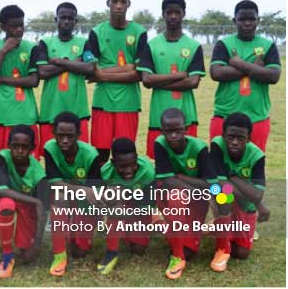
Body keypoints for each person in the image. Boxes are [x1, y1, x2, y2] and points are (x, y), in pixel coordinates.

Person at [83, 0, 148, 164]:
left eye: (123, 1)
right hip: (103, 103)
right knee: (101, 154)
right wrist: (128, 67)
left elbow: (139, 74)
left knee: (124, 154)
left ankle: (123, 191)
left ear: (129, 4)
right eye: (115, 1)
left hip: (128, 104)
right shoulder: (96, 32)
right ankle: (101, 191)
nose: (118, 5)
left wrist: (103, 74)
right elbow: (91, 72)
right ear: (108, 3)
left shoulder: (139, 32)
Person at [137, 0, 205, 158]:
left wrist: (157, 81)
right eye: (169, 12)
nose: (173, 16)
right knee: (159, 162)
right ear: (163, 14)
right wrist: (180, 76)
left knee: (188, 161)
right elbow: (146, 80)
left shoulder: (194, 46)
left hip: (186, 117)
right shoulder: (152, 45)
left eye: (177, 12)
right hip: (158, 116)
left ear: (184, 14)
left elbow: (193, 82)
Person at [209, 0, 281, 153]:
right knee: (218, 166)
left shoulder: (268, 45)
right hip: (224, 116)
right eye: (242, 19)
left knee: (254, 166)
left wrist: (238, 63)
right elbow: (216, 73)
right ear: (234, 21)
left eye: (251, 19)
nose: (247, 23)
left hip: (257, 117)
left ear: (258, 21)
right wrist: (255, 68)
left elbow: (273, 76)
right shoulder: (224, 44)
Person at [153, 108, 212, 280]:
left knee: (190, 250)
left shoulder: (200, 148)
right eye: (168, 131)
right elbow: (167, 181)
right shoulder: (160, 143)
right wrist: (189, 187)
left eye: (178, 131)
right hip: (173, 199)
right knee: (176, 196)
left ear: (186, 129)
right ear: (162, 131)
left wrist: (180, 177)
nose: (173, 136)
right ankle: (177, 256)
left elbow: (208, 184)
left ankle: (158, 223)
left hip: (197, 201)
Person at [208, 113, 268, 272]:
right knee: (221, 195)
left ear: (248, 138)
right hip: (222, 195)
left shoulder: (257, 156)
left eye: (241, 138)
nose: (235, 142)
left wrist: (232, 177)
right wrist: (252, 196)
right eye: (230, 136)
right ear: (223, 135)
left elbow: (257, 195)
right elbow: (220, 183)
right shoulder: (217, 145)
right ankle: (222, 249)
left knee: (241, 253)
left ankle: (221, 229)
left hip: (245, 204)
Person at [45, 111, 103, 277]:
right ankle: (59, 254)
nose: (64, 140)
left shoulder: (91, 154)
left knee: (79, 252)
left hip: (84, 202)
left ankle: (76, 229)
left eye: (70, 136)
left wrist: (97, 217)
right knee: (60, 196)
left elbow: (95, 193)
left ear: (79, 134)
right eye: (60, 135)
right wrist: (82, 190)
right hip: (65, 195)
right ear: (53, 132)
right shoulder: (49, 147)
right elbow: (55, 183)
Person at [0, 4, 42, 158]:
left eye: (21, 25)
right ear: (3, 27)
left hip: (26, 116)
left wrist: (2, 79)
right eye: (14, 26)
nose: (19, 30)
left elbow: (34, 81)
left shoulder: (31, 48)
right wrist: (3, 51)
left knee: (27, 166)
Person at [0, 125, 46, 278]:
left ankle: (23, 238)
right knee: (6, 203)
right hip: (7, 199)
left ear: (33, 148)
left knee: (26, 255)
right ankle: (7, 255)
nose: (20, 151)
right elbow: (1, 190)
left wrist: (36, 245)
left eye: (24, 147)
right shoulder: (3, 156)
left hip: (26, 206)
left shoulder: (39, 174)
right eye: (15, 146)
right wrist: (35, 201)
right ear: (9, 146)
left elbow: (42, 210)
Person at [36, 2, 93, 147]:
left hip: (78, 111)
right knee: (51, 154)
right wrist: (74, 63)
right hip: (51, 110)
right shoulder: (45, 43)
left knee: (80, 154)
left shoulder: (84, 43)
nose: (66, 21)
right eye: (62, 18)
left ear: (76, 21)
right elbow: (42, 72)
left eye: (70, 18)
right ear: (56, 20)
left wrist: (58, 61)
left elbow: (90, 68)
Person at [97, 137, 155, 275]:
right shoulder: (104, 173)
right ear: (113, 163)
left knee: (138, 249)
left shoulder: (148, 172)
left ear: (137, 158)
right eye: (122, 166)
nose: (128, 170)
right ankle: (112, 252)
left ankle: (154, 220)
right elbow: (98, 200)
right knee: (114, 196)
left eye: (132, 164)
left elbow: (149, 204)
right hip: (118, 206)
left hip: (139, 206)